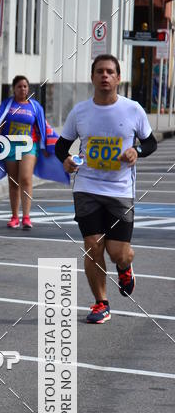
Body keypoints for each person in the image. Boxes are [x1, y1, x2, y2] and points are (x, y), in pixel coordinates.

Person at [55, 54, 157, 324]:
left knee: (118, 252)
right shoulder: (80, 112)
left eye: (110, 72)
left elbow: (151, 143)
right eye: (100, 71)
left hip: (120, 191)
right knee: (92, 246)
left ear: (118, 78)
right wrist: (66, 160)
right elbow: (60, 147)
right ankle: (101, 303)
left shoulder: (133, 110)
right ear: (92, 77)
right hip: (87, 187)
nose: (105, 76)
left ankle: (125, 267)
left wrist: (136, 150)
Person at [0, 76, 61, 229]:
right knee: (13, 182)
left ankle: (26, 217)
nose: (23, 89)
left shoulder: (34, 107)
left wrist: (46, 146)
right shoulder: (8, 105)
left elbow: (41, 126)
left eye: (25, 86)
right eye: (20, 86)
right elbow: (0, 123)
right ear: (14, 89)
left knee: (26, 178)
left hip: (29, 145)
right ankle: (15, 216)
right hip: (9, 146)